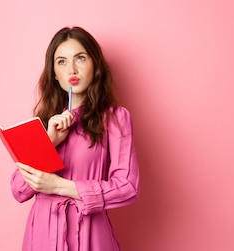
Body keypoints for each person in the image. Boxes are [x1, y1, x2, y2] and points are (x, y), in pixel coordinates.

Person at [11, 26, 139, 250]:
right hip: (42, 235)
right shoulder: (42, 123)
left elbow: (127, 187)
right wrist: (49, 141)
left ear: (95, 65)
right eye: (61, 62)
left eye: (80, 58)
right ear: (54, 73)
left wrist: (60, 186)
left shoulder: (115, 119)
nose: (72, 69)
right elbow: (19, 190)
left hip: (91, 234)